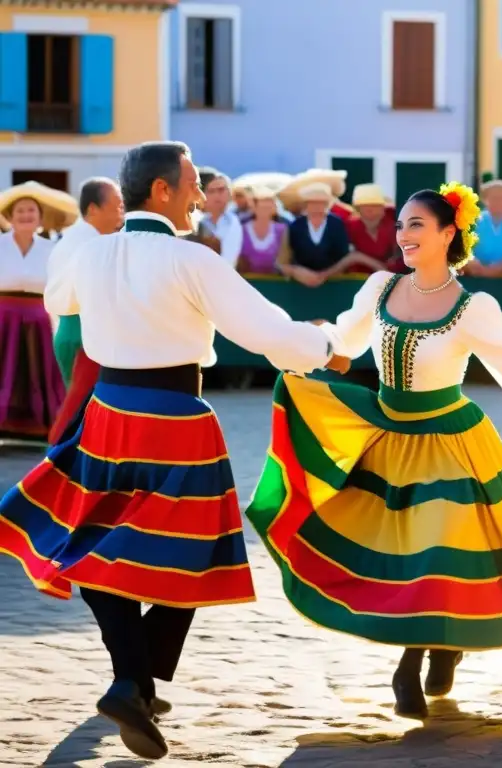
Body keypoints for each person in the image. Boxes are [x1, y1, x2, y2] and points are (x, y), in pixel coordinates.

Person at [0, 141, 347, 760]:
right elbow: (268, 334)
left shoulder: (92, 252)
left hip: (109, 414)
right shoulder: (194, 260)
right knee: (189, 555)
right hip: (176, 420)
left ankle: (132, 679)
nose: (200, 192)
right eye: (191, 182)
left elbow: (58, 303)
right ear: (161, 190)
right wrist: (325, 349)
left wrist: (94, 257)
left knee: (95, 543)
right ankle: (133, 679)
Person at [245, 182, 502, 721]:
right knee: (402, 556)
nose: (404, 235)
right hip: (388, 436)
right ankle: (442, 644)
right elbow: (344, 344)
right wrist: (302, 352)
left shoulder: (474, 307)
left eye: (416, 225)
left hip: (452, 443)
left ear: (448, 233)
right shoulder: (380, 287)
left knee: (436, 553)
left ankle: (414, 662)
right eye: (401, 225)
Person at [47, 177, 125, 444]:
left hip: (74, 326)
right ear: (93, 209)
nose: (121, 213)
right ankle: (55, 464)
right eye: (116, 207)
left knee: (83, 406)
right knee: (80, 407)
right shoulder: (91, 243)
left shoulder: (81, 238)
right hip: (84, 328)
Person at [0, 182, 71, 444]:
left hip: (38, 316)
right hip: (3, 317)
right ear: (9, 217)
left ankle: (38, 427)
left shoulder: (51, 249)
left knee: (35, 371)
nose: (26, 216)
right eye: (20, 211)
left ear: (40, 218)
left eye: (31, 211)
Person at [280, 183, 359, 286]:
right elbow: (284, 260)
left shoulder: (337, 224)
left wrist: (326, 274)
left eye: (321, 203)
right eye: (312, 203)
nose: (316, 207)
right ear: (306, 205)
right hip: (301, 285)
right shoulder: (295, 226)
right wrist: (298, 272)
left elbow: (345, 257)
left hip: (334, 283)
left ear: (327, 204)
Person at [464, 176, 502, 276]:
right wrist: (471, 264)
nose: (499, 202)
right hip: (475, 278)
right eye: (494, 197)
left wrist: (500, 269)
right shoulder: (473, 221)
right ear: (485, 200)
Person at [236, 186, 291, 275]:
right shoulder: (241, 230)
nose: (266, 209)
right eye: (263, 206)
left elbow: (284, 261)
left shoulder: (282, 230)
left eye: (269, 205)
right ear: (253, 207)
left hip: (275, 284)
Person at [195, 169, 243, 268]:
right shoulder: (191, 220)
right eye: (211, 191)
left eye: (221, 190)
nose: (217, 195)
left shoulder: (234, 222)